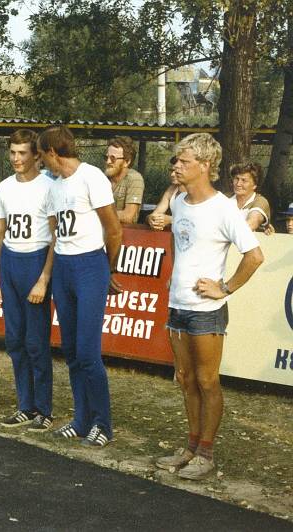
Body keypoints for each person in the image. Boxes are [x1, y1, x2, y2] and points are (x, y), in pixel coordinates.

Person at [155, 133, 263, 480]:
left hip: (206, 312)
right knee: (185, 379)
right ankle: (190, 446)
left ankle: (206, 452)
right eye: (176, 160)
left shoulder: (223, 208)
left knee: (206, 380)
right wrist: (175, 274)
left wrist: (225, 288)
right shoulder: (180, 203)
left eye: (184, 161)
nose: (177, 166)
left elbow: (255, 255)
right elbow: (179, 243)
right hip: (178, 305)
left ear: (205, 165)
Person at [39, 125, 123, 447]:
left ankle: (103, 423)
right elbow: (55, 231)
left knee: (89, 352)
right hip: (64, 266)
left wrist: (107, 267)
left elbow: (113, 230)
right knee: (72, 351)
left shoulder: (91, 177)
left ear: (52, 152)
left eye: (43, 155)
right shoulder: (54, 186)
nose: (42, 162)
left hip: (90, 265)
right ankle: (81, 418)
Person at [0, 129, 55, 430]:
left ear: (36, 155)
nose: (16, 159)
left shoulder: (48, 187)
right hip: (11, 261)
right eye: (13, 153)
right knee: (14, 341)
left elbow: (56, 237)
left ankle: (44, 408)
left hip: (36, 260)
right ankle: (24, 405)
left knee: (36, 341)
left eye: (22, 153)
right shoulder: (3, 187)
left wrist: (44, 278)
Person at [104, 136, 144, 224]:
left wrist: (97, 214)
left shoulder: (134, 179)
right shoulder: (101, 179)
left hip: (125, 233)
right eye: (106, 157)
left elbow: (128, 216)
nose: (108, 162)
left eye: (113, 158)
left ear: (127, 161)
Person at [227, 162, 272, 232]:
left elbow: (250, 225)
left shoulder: (260, 201)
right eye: (236, 179)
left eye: (244, 180)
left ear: (255, 185)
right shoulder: (224, 199)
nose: (238, 184)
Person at [147, 157, 186, 231]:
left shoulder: (198, 191)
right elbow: (155, 214)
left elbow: (200, 221)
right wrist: (151, 219)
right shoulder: (171, 190)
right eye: (171, 171)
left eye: (177, 171)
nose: (172, 174)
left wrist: (171, 220)